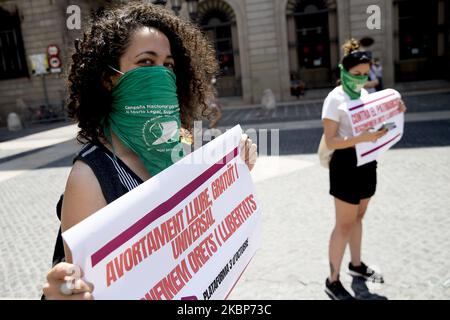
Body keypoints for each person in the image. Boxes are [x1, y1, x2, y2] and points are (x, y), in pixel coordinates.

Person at [42, 2, 258, 300]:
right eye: (146, 62)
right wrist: (66, 294)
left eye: (168, 65)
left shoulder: (180, 142)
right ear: (109, 78)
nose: (162, 75)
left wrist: (236, 163)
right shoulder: (89, 178)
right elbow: (86, 288)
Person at [321, 39, 406, 300]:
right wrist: (362, 139)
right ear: (343, 71)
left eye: (365, 74)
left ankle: (355, 266)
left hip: (368, 161)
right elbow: (332, 140)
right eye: (356, 74)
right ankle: (332, 280)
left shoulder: (368, 95)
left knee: (359, 217)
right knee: (343, 225)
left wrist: (395, 112)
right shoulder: (334, 99)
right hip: (345, 164)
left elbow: (379, 125)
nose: (360, 79)